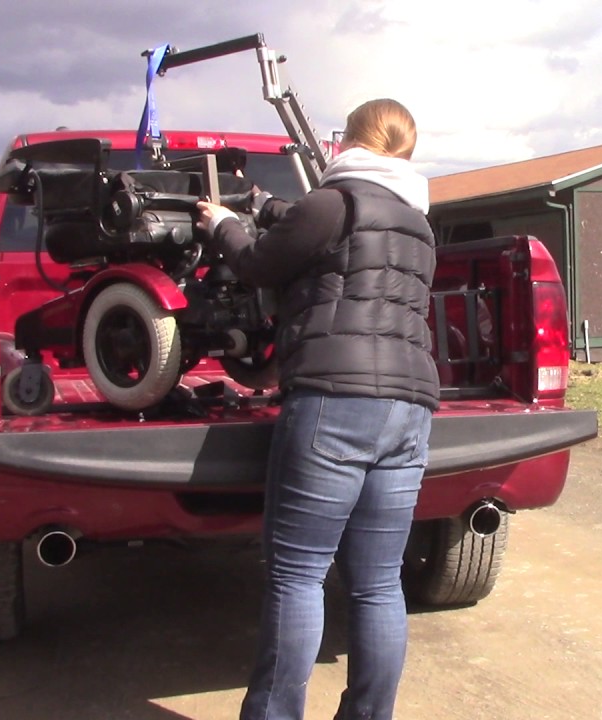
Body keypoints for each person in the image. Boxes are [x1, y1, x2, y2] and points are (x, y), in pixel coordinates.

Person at [196, 98, 439, 720]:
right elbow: (320, 232)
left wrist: (223, 223)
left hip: (336, 403)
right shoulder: (417, 222)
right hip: (409, 412)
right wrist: (266, 204)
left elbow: (258, 263)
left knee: (298, 575)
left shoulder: (333, 202)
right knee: (378, 583)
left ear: (348, 142)